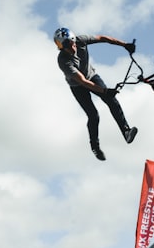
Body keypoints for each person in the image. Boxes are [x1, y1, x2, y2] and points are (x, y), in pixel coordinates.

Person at [54, 27, 138, 161]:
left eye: (72, 44)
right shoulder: (63, 61)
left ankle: (126, 131)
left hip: (91, 75)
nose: (72, 48)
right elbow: (83, 81)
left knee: (111, 101)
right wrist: (105, 91)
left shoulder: (81, 40)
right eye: (68, 47)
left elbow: (103, 38)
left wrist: (125, 44)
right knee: (93, 115)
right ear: (62, 48)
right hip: (78, 86)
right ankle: (95, 147)